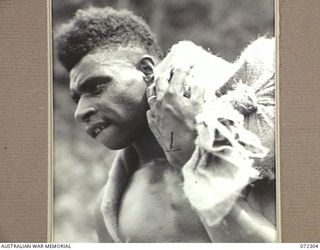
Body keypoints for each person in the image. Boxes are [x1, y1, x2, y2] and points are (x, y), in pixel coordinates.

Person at [55, 6, 276, 243]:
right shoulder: (110, 208)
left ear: (147, 71)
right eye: (77, 98)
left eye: (96, 87)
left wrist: (192, 163)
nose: (80, 112)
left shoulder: (250, 149)